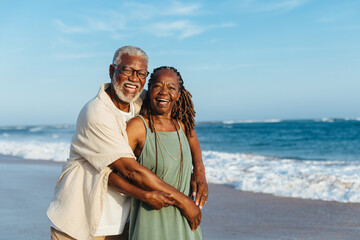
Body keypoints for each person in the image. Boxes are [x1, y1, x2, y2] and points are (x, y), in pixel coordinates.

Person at [47, 46, 208, 240]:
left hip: (122, 225)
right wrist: (183, 201)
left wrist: (198, 170)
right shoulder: (96, 113)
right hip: (81, 223)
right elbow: (129, 170)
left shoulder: (141, 100)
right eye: (127, 70)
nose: (133, 78)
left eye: (140, 73)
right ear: (111, 71)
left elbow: (184, 122)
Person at [123, 66, 202, 239]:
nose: (163, 92)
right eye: (158, 86)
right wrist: (144, 195)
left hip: (186, 221)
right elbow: (114, 173)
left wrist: (200, 173)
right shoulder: (138, 127)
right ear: (149, 90)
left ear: (178, 95)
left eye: (171, 88)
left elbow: (196, 152)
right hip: (151, 223)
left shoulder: (183, 126)